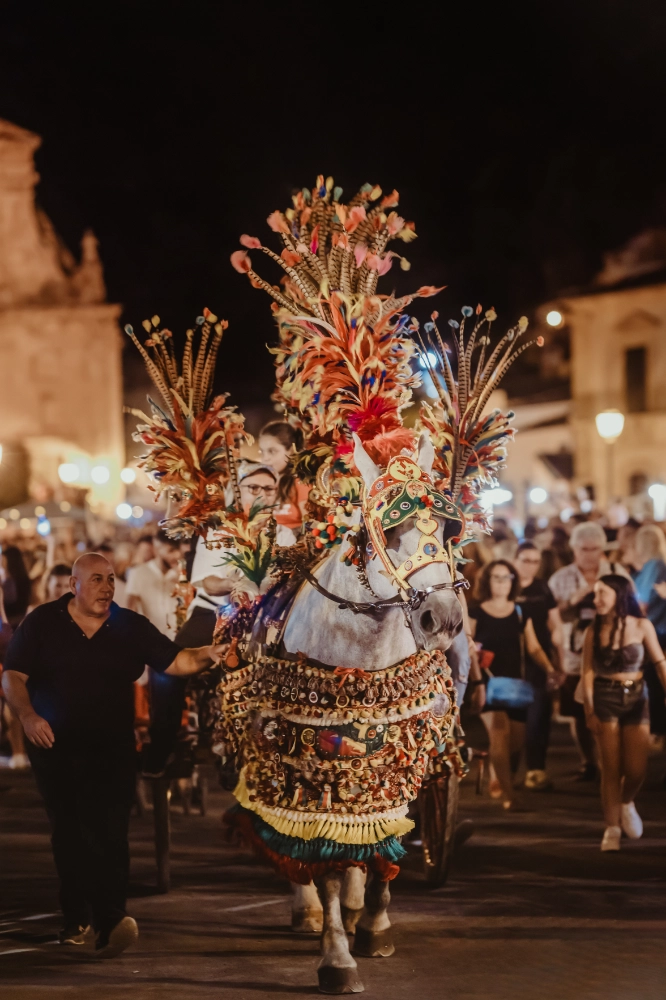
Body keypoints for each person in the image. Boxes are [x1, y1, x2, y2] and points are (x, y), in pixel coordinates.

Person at [1, 553, 224, 957]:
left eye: (111, 579)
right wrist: (28, 716)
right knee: (69, 832)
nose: (107, 587)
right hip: (56, 746)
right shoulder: (42, 622)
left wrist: (210, 653)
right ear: (75, 585)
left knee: (110, 831)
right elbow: (12, 675)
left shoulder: (128, 626)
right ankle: (76, 917)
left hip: (113, 746)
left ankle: (110, 919)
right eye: (98, 580)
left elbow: (175, 661)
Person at [582, 574, 666, 851]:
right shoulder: (593, 630)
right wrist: (589, 710)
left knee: (636, 769)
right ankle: (612, 827)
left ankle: (626, 802)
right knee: (610, 767)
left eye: (602, 593)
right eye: (596, 594)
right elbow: (588, 672)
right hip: (605, 696)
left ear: (619, 594)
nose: (597, 600)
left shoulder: (642, 625)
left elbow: (659, 662)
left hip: (636, 698)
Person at [469, 560, 557, 810]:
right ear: (487, 582)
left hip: (515, 683)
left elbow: (533, 646)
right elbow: (467, 646)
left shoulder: (520, 612)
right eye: (496, 577)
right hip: (487, 682)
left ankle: (498, 772)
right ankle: (509, 796)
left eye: (506, 577)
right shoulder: (476, 613)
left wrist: (550, 669)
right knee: (499, 731)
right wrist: (475, 679)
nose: (502, 583)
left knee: (516, 742)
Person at [178, 461, 293, 649]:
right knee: (171, 671)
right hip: (214, 611)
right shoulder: (216, 532)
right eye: (254, 488)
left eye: (269, 489)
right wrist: (233, 585)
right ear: (238, 491)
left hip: (266, 616)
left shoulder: (285, 535)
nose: (262, 494)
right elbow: (208, 583)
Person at [549, 521, 629, 781]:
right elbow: (551, 618)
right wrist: (573, 601)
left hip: (614, 652)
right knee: (579, 710)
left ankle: (615, 761)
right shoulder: (561, 578)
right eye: (584, 549)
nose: (590, 554)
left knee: (614, 707)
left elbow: (634, 609)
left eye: (595, 549)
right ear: (574, 549)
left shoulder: (618, 573)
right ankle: (589, 761)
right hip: (575, 652)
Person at [126, 529, 183, 776]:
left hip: (178, 642)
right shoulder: (138, 573)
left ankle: (165, 751)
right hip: (151, 644)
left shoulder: (182, 573)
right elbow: (130, 606)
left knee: (171, 700)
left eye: (176, 550)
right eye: (169, 550)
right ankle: (154, 753)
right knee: (156, 702)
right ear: (157, 546)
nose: (174, 555)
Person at [513, 542, 565, 791]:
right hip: (510, 659)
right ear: (515, 559)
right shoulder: (506, 586)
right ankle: (507, 772)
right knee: (511, 718)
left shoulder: (543, 588)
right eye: (525, 560)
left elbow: (556, 626)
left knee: (538, 715)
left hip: (540, 657)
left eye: (535, 561)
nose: (530, 566)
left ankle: (536, 769)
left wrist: (559, 660)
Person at [632, 524, 666, 737]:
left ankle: (658, 728)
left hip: (657, 631)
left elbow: (641, 600)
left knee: (655, 681)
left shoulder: (654, 565)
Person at [258, 421, 309, 534]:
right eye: (262, 451)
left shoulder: (300, 481)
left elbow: (309, 524)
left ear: (291, 450)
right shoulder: (261, 482)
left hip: (295, 541)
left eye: (272, 451)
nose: (265, 458)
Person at [1, 545, 31, 627]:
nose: (1, 563)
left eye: (3, 560)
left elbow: (19, 606)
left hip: (15, 624)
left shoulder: (21, 581)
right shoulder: (5, 580)